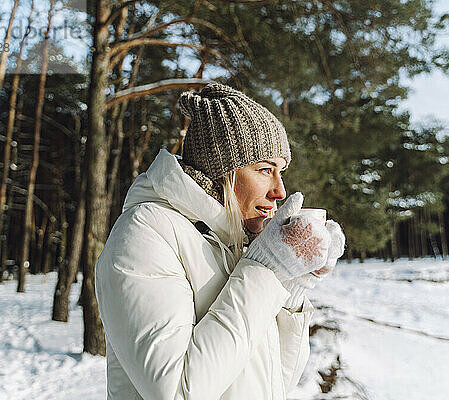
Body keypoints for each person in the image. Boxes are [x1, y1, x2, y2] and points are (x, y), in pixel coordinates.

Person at [95, 83, 346, 399]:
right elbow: (177, 392)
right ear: (221, 170)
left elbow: (274, 385)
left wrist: (291, 285)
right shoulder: (145, 233)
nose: (280, 191)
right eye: (265, 169)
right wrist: (266, 271)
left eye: (281, 171)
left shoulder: (233, 243)